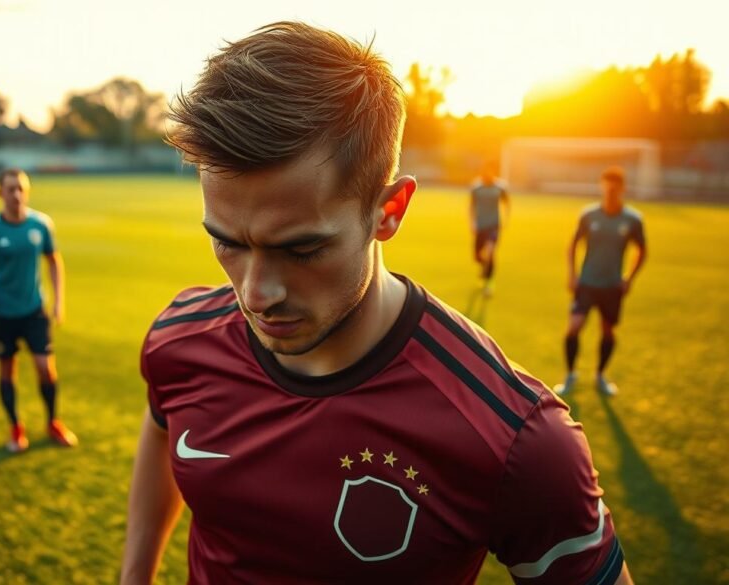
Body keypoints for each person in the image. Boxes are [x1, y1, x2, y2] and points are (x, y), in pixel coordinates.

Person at [121, 22, 632, 584]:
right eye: (228, 241)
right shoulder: (180, 339)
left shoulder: (515, 439)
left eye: (302, 247)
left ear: (389, 211)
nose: (255, 293)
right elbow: (162, 424)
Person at [0, 169, 77, 451]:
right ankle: (15, 427)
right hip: (2, 314)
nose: (16, 195)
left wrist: (58, 301)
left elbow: (54, 261)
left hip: (34, 311)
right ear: (0, 193)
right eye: (10, 189)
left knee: (46, 368)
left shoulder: (41, 224)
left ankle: (53, 421)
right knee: (8, 370)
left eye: (21, 188)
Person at [554, 166, 647, 396]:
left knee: (607, 332)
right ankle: (570, 374)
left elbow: (642, 250)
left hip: (612, 286)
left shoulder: (633, 219)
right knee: (573, 328)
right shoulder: (589, 215)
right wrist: (572, 274)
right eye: (607, 187)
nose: (611, 192)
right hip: (586, 284)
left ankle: (600, 375)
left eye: (615, 188)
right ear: (602, 187)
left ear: (622, 189)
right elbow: (573, 244)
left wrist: (629, 279)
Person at [469, 159, 511, 296]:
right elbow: (471, 206)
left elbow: (507, 203)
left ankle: (488, 283)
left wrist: (506, 218)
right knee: (477, 256)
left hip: (494, 225)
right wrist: (472, 222)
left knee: (490, 252)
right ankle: (483, 269)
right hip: (480, 225)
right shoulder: (477, 187)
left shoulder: (500, 187)